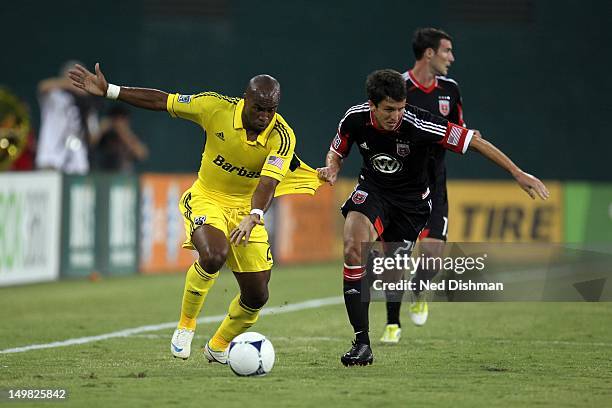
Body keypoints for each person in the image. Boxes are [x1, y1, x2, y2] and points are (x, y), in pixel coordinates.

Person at [69, 63, 323, 363]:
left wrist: (254, 214)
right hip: (207, 199)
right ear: (245, 99)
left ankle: (217, 346)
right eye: (259, 109)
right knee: (214, 255)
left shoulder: (282, 135)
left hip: (247, 209)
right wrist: (111, 91)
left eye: (271, 110)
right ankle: (186, 326)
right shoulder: (214, 107)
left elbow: (268, 182)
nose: (265, 116)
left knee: (257, 296)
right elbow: (163, 101)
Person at [317, 69, 548, 366]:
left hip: (411, 205)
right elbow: (336, 151)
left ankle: (399, 290)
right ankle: (362, 342)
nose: (396, 115)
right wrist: (333, 168)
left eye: (400, 108)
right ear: (372, 105)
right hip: (373, 191)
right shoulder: (354, 118)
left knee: (392, 270)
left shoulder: (420, 123)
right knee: (352, 247)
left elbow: (473, 141)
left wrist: (517, 173)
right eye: (389, 109)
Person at [380, 27, 465, 343]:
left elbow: (458, 130)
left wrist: (469, 139)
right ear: (429, 53)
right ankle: (392, 323)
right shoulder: (398, 88)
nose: (451, 58)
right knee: (395, 257)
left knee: (431, 256)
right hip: (400, 187)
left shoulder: (451, 90)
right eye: (447, 51)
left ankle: (418, 290)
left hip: (435, 184)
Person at [36, 60, 100, 174]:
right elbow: (42, 86)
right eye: (73, 76)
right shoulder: (55, 95)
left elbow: (93, 137)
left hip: (77, 163)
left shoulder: (87, 104)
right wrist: (70, 85)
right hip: (51, 159)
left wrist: (85, 115)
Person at [91, 105, 149, 172]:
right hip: (104, 176)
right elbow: (90, 144)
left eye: (122, 120)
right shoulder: (105, 136)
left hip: (124, 178)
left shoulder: (129, 136)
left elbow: (141, 154)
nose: (118, 123)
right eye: (115, 119)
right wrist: (102, 128)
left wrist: (123, 132)